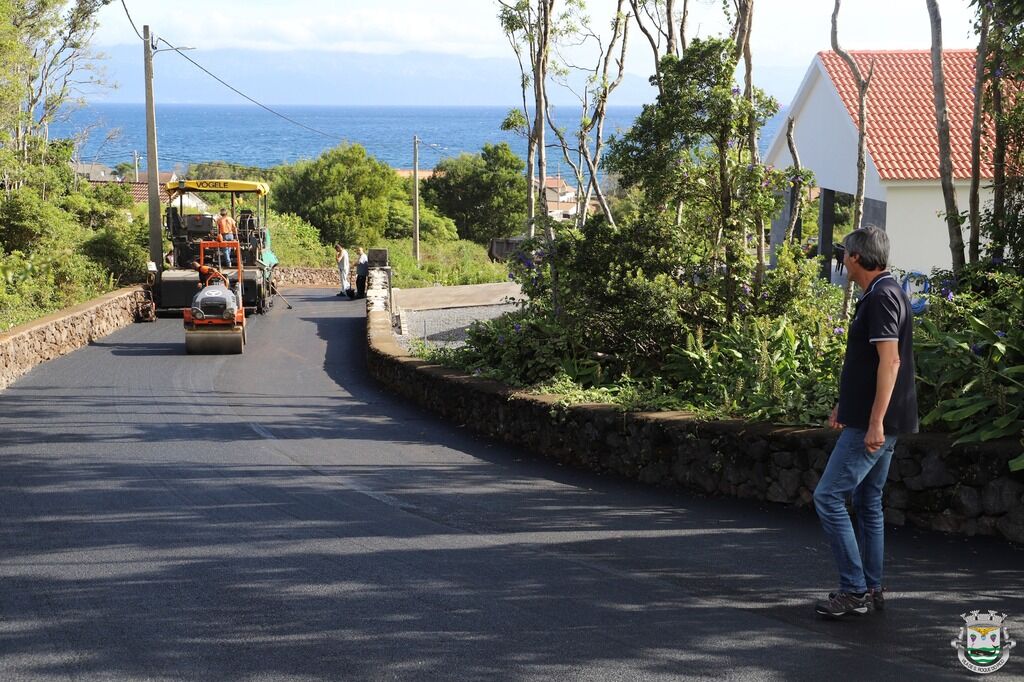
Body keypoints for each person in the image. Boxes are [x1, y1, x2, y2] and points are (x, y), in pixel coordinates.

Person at [812, 226, 918, 618]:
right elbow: (868, 363)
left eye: (844, 254)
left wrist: (874, 422)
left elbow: (891, 362)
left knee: (827, 497)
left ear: (856, 257)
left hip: (877, 425)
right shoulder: (885, 292)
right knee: (867, 500)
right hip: (875, 419)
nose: (842, 259)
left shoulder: (882, 298)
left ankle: (854, 589)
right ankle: (870, 588)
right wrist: (847, 404)